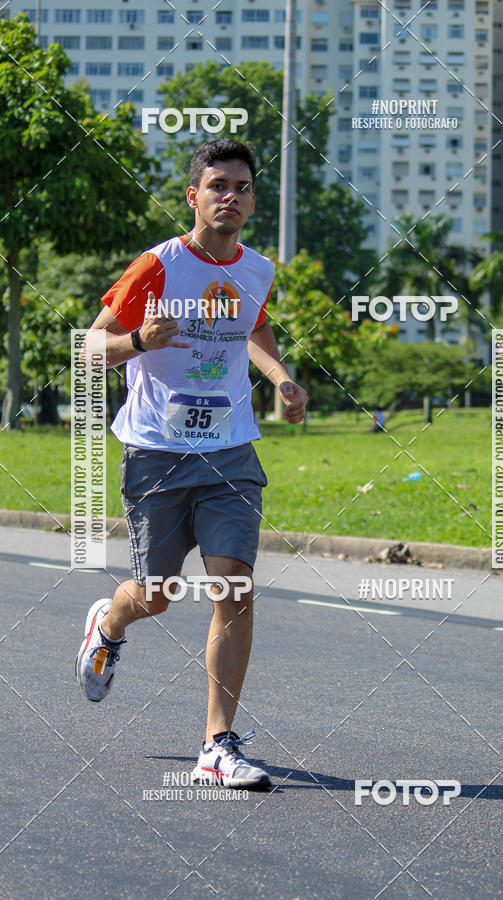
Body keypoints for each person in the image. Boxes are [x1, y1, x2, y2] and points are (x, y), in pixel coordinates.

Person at [76, 139, 308, 790]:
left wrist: (282, 379)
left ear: (253, 200)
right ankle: (108, 620)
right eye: (216, 185)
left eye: (241, 186)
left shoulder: (256, 269)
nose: (229, 195)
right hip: (157, 452)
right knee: (158, 595)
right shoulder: (157, 266)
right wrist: (137, 341)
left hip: (231, 448)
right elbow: (91, 346)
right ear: (193, 196)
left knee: (235, 587)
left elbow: (254, 328)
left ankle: (216, 744)